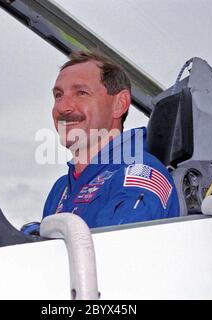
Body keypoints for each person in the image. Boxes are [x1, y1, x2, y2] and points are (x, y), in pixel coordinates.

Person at [22, 50, 179, 235]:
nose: (63, 107)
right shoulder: (61, 189)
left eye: (81, 93)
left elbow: (114, 255)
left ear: (119, 104)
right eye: (58, 95)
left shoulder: (139, 175)